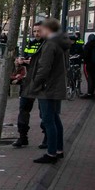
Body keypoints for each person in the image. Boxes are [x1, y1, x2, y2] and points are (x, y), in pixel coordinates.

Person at [23, 17, 70, 164]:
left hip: (47, 88)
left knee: (48, 120)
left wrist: (35, 84)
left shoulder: (50, 45)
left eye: (41, 29)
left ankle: (51, 154)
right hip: (55, 86)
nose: (38, 32)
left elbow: (44, 68)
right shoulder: (59, 43)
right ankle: (59, 149)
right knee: (55, 118)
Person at [12, 21, 45, 148]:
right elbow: (25, 57)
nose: (36, 33)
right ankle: (22, 137)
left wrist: (31, 62)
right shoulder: (30, 44)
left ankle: (47, 137)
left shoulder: (46, 45)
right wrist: (20, 60)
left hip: (42, 82)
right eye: (35, 31)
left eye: (39, 31)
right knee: (23, 109)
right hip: (29, 81)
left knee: (44, 111)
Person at [81, 34, 95, 98]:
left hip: (88, 64)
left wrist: (81, 56)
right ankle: (92, 92)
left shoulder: (88, 45)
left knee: (89, 78)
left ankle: (89, 93)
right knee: (94, 78)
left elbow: (85, 55)